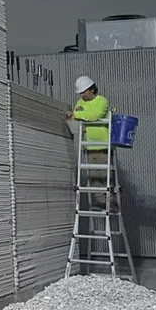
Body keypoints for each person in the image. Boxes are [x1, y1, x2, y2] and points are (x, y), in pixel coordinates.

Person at [64, 75, 115, 210]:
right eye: (80, 92)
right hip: (89, 144)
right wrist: (75, 116)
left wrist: (77, 115)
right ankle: (100, 200)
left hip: (103, 144)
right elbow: (79, 113)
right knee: (93, 174)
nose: (82, 95)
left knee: (104, 174)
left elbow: (94, 115)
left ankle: (110, 198)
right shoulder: (80, 103)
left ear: (91, 89)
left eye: (83, 92)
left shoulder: (102, 101)